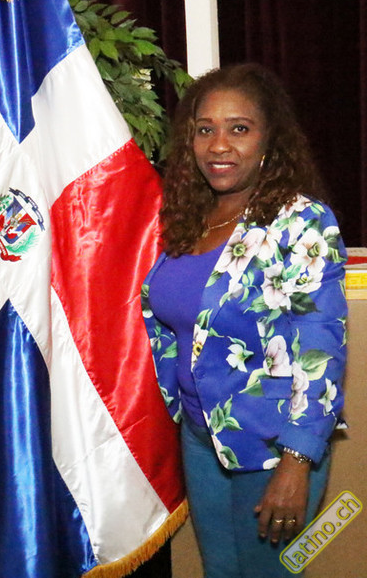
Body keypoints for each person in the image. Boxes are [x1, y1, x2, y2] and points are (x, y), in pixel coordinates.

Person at [140, 63, 347, 578]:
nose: (219, 145)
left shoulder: (301, 223)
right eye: (204, 129)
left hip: (275, 446)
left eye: (239, 128)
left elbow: (321, 347)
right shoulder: (187, 218)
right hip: (202, 437)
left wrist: (297, 463)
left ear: (269, 138)